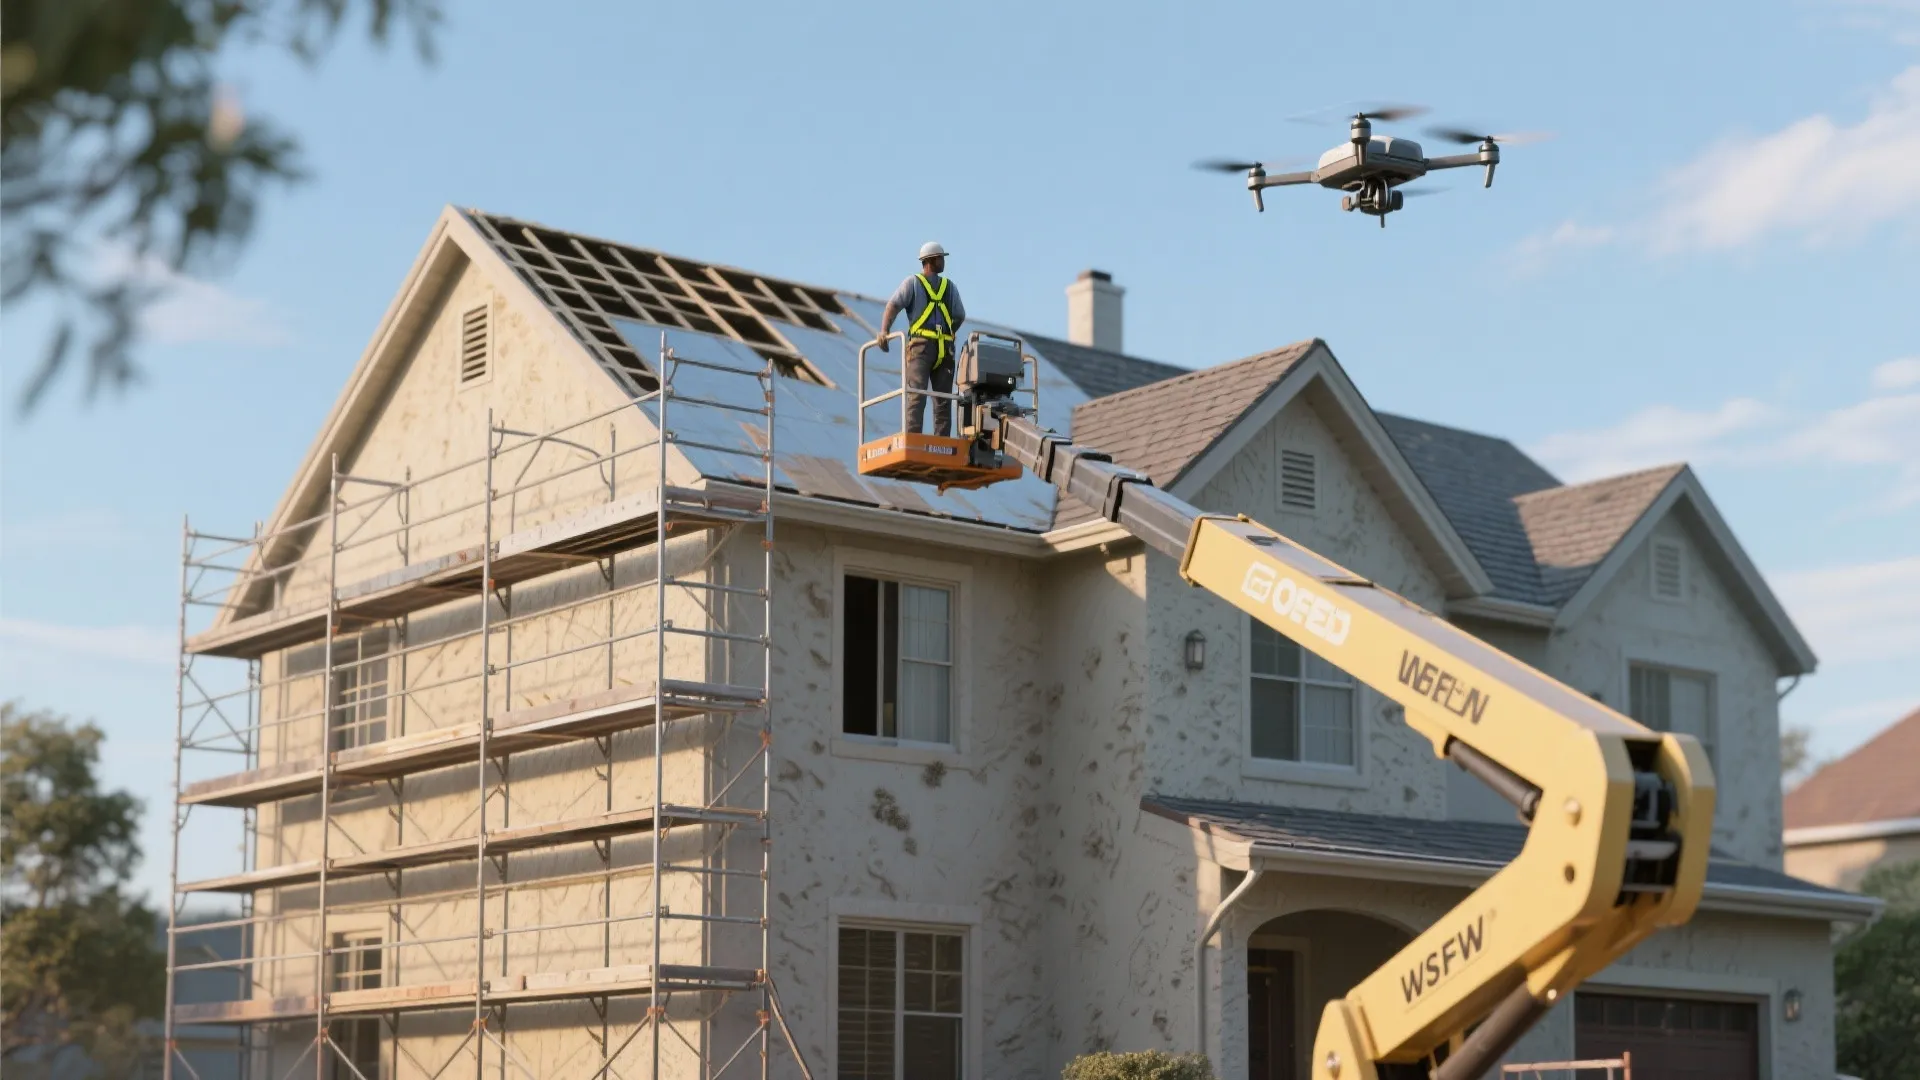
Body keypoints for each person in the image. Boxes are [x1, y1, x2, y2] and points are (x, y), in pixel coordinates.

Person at [876, 241, 966, 437]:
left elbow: (893, 305)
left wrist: (884, 330)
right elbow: (959, 316)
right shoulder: (949, 287)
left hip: (921, 348)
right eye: (941, 258)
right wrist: (949, 333)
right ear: (932, 260)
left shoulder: (912, 283)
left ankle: (913, 439)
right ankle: (941, 442)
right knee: (942, 400)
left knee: (917, 396)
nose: (944, 262)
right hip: (944, 349)